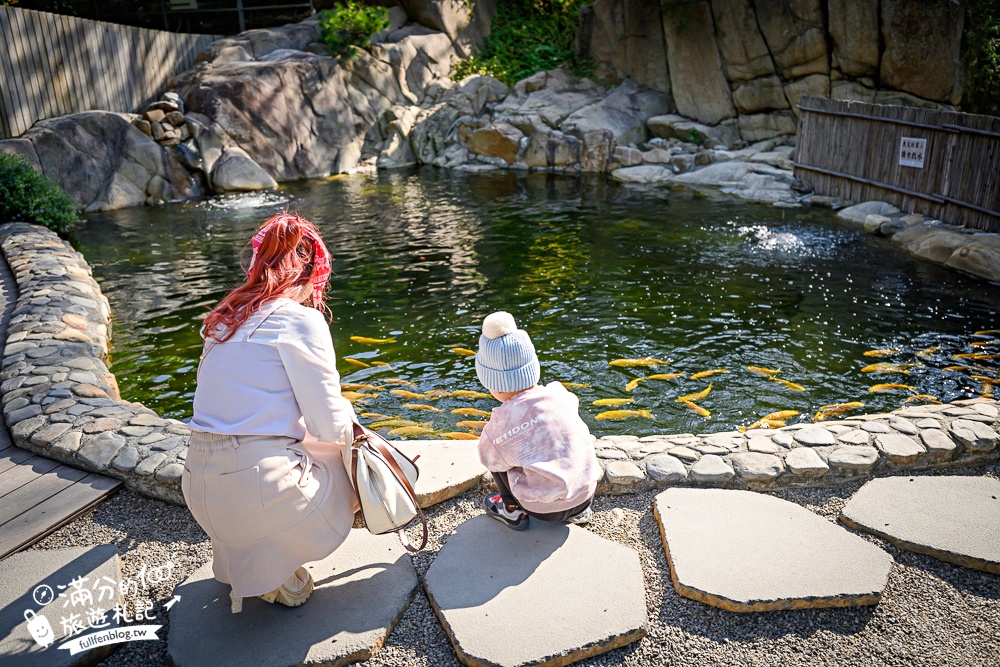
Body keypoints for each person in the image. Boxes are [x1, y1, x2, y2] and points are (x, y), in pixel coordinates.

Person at [183, 213, 358, 610]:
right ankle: (282, 564)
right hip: (258, 490)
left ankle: (258, 565)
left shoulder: (222, 321)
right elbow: (329, 424)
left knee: (289, 443)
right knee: (343, 448)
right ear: (311, 271)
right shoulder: (301, 321)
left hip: (199, 490)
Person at [474, 311, 602, 530]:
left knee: (496, 457)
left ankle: (511, 510)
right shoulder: (561, 394)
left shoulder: (501, 423)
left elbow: (488, 459)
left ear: (491, 384)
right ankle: (580, 512)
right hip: (586, 494)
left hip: (543, 510)